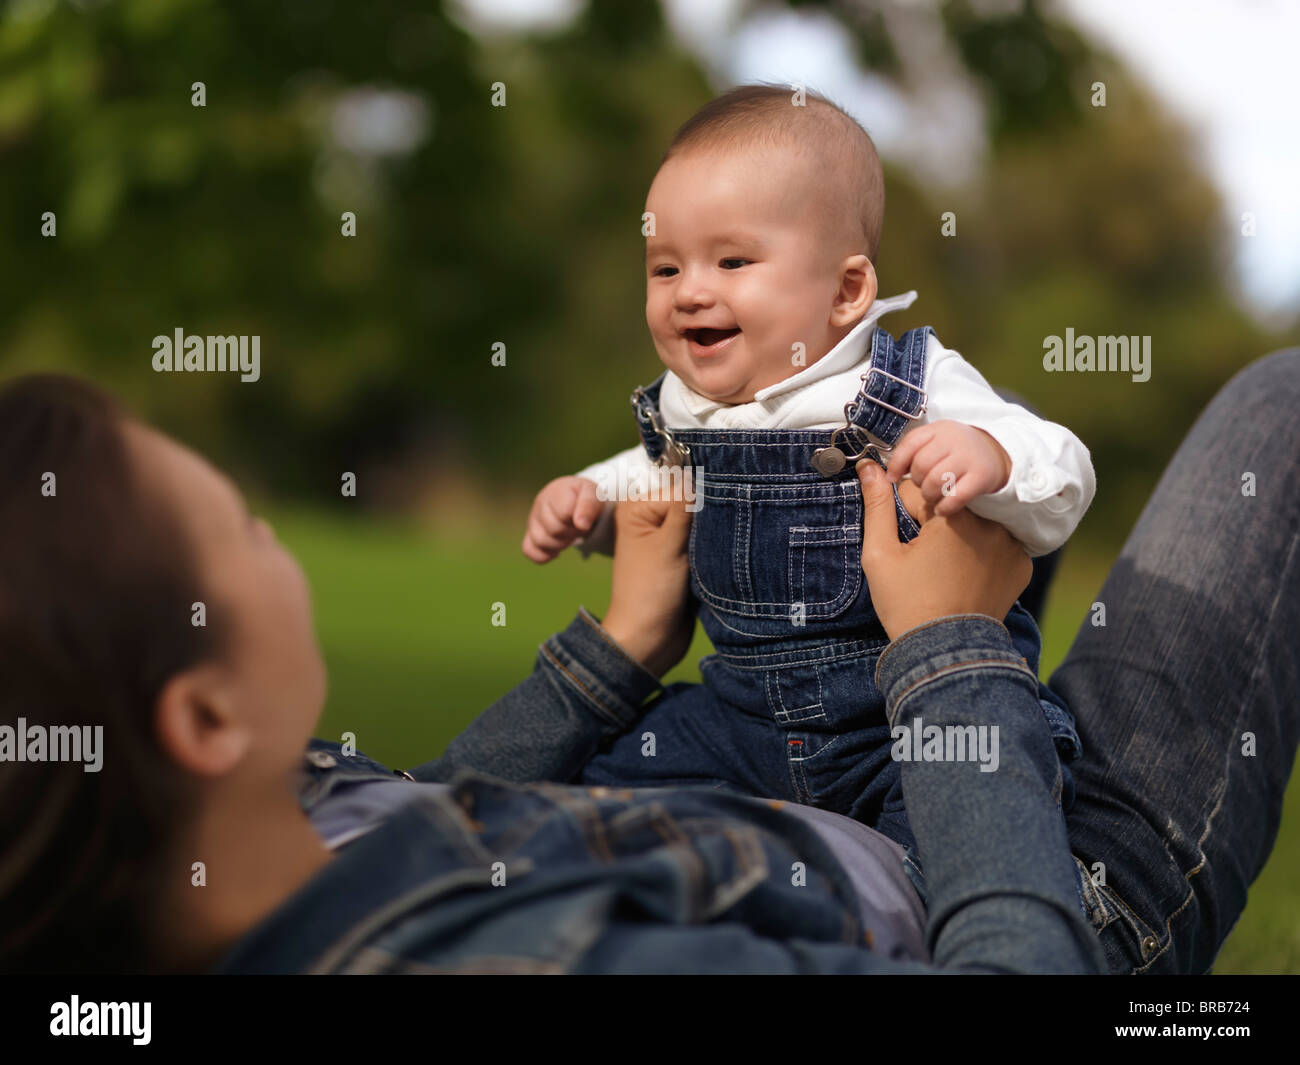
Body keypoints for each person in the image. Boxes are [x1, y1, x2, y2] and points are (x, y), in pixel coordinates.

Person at [1, 345, 1297, 973]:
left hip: (819, 797)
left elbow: (428, 815)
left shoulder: (232, 853)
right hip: (1023, 886)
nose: (272, 529)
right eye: (236, 527)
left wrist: (617, 647)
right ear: (203, 714)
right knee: (1280, 411)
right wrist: (950, 649)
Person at [520, 85, 1095, 867]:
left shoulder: (911, 384)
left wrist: (992, 458)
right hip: (737, 724)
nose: (690, 288)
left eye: (731, 260)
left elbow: (1063, 466)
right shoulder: (688, 411)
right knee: (593, 795)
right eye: (664, 267)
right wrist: (587, 502)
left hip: (896, 724)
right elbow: (654, 482)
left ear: (848, 290)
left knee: (942, 833)